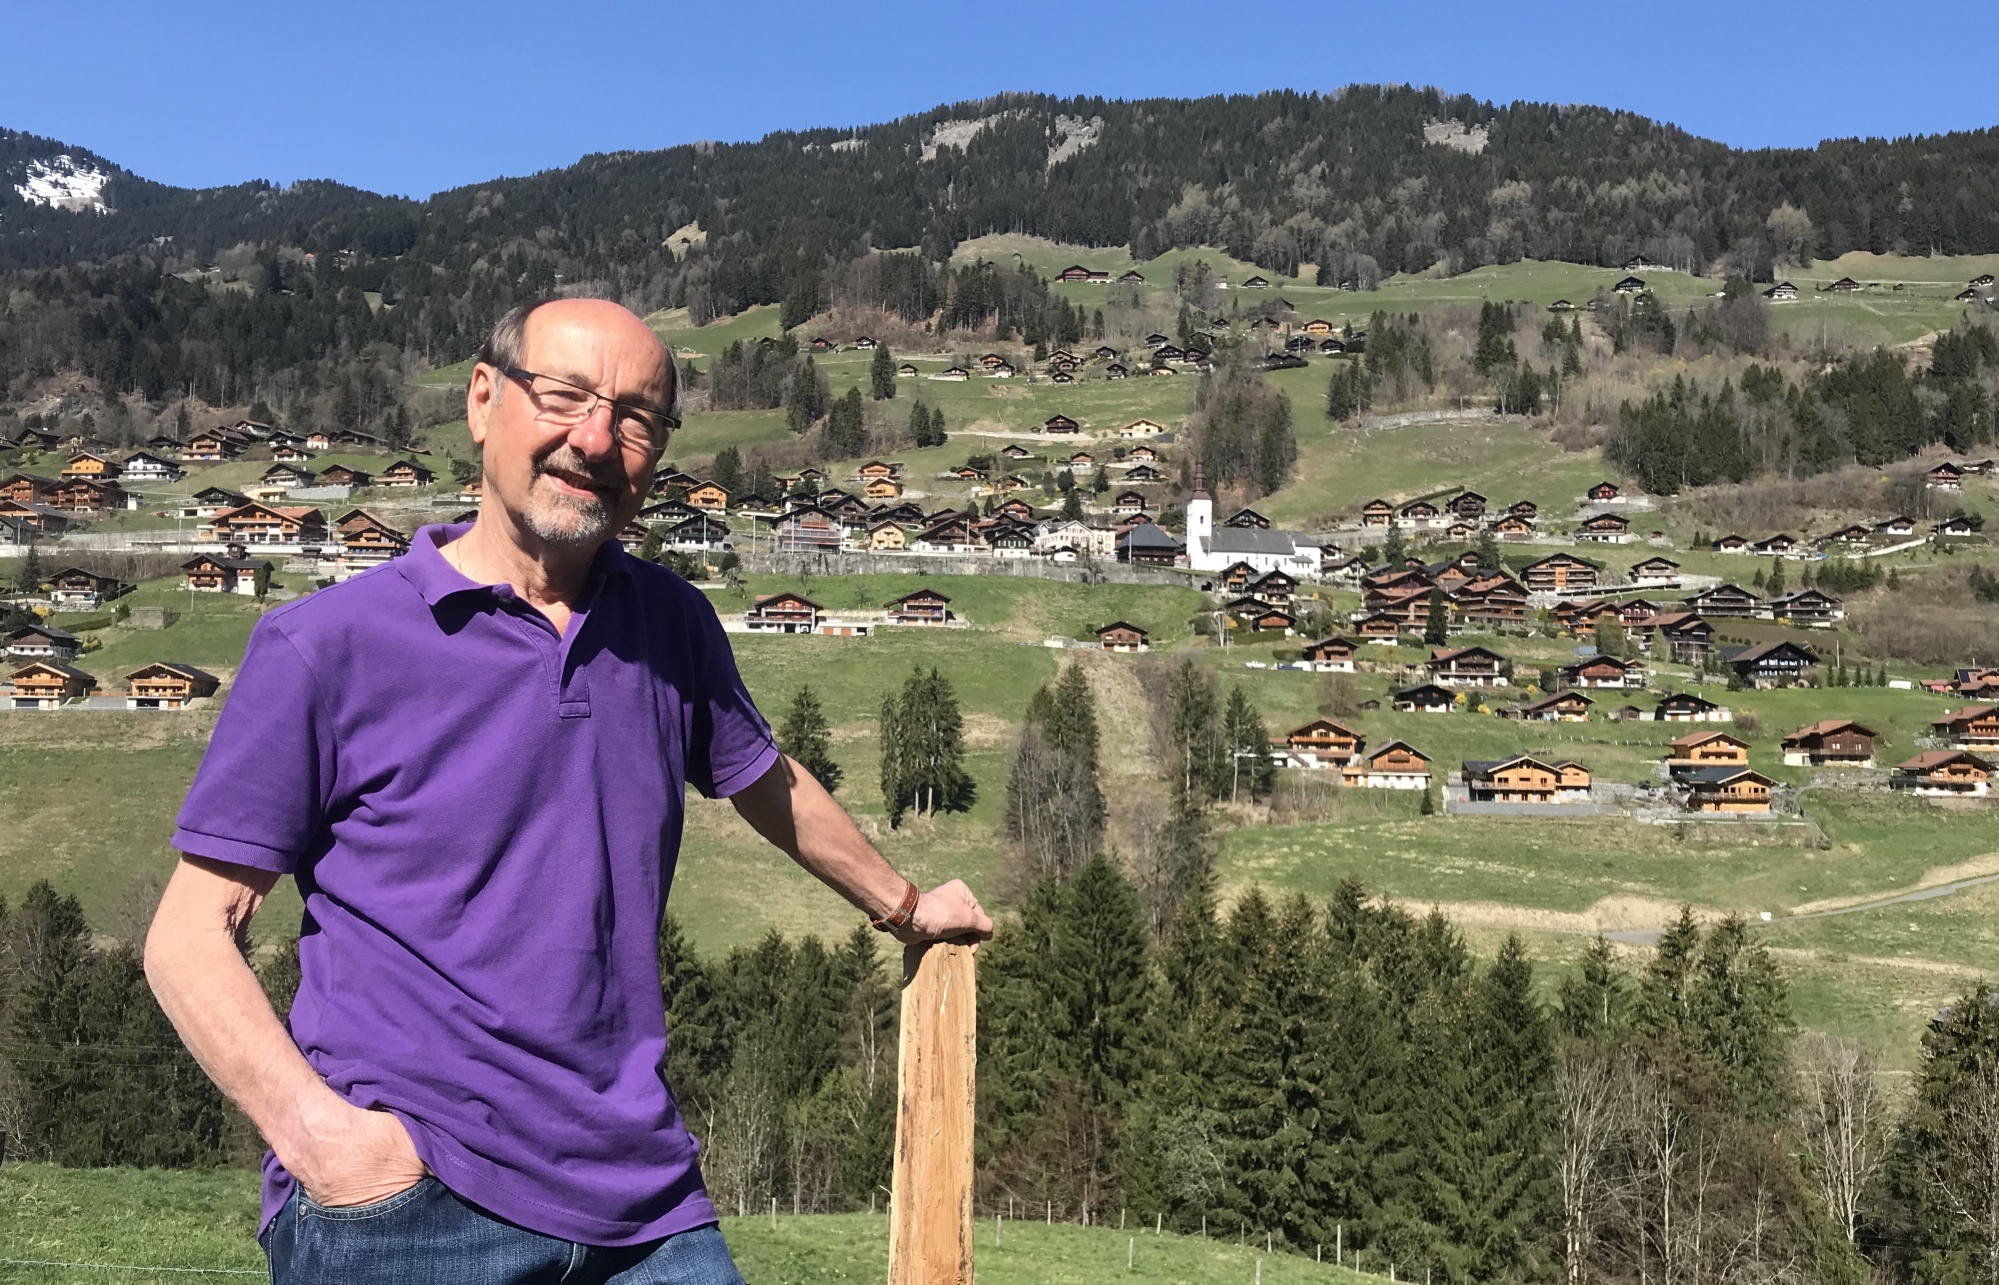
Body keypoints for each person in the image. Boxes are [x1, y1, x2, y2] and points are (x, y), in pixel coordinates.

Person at [145, 298, 993, 1285]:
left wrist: (905, 906)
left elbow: (764, 778)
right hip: (411, 1203)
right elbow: (186, 935)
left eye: (636, 417)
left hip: (645, 1205)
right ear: (482, 398)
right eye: (565, 396)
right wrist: (324, 1141)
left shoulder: (668, 624)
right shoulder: (325, 648)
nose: (596, 438)